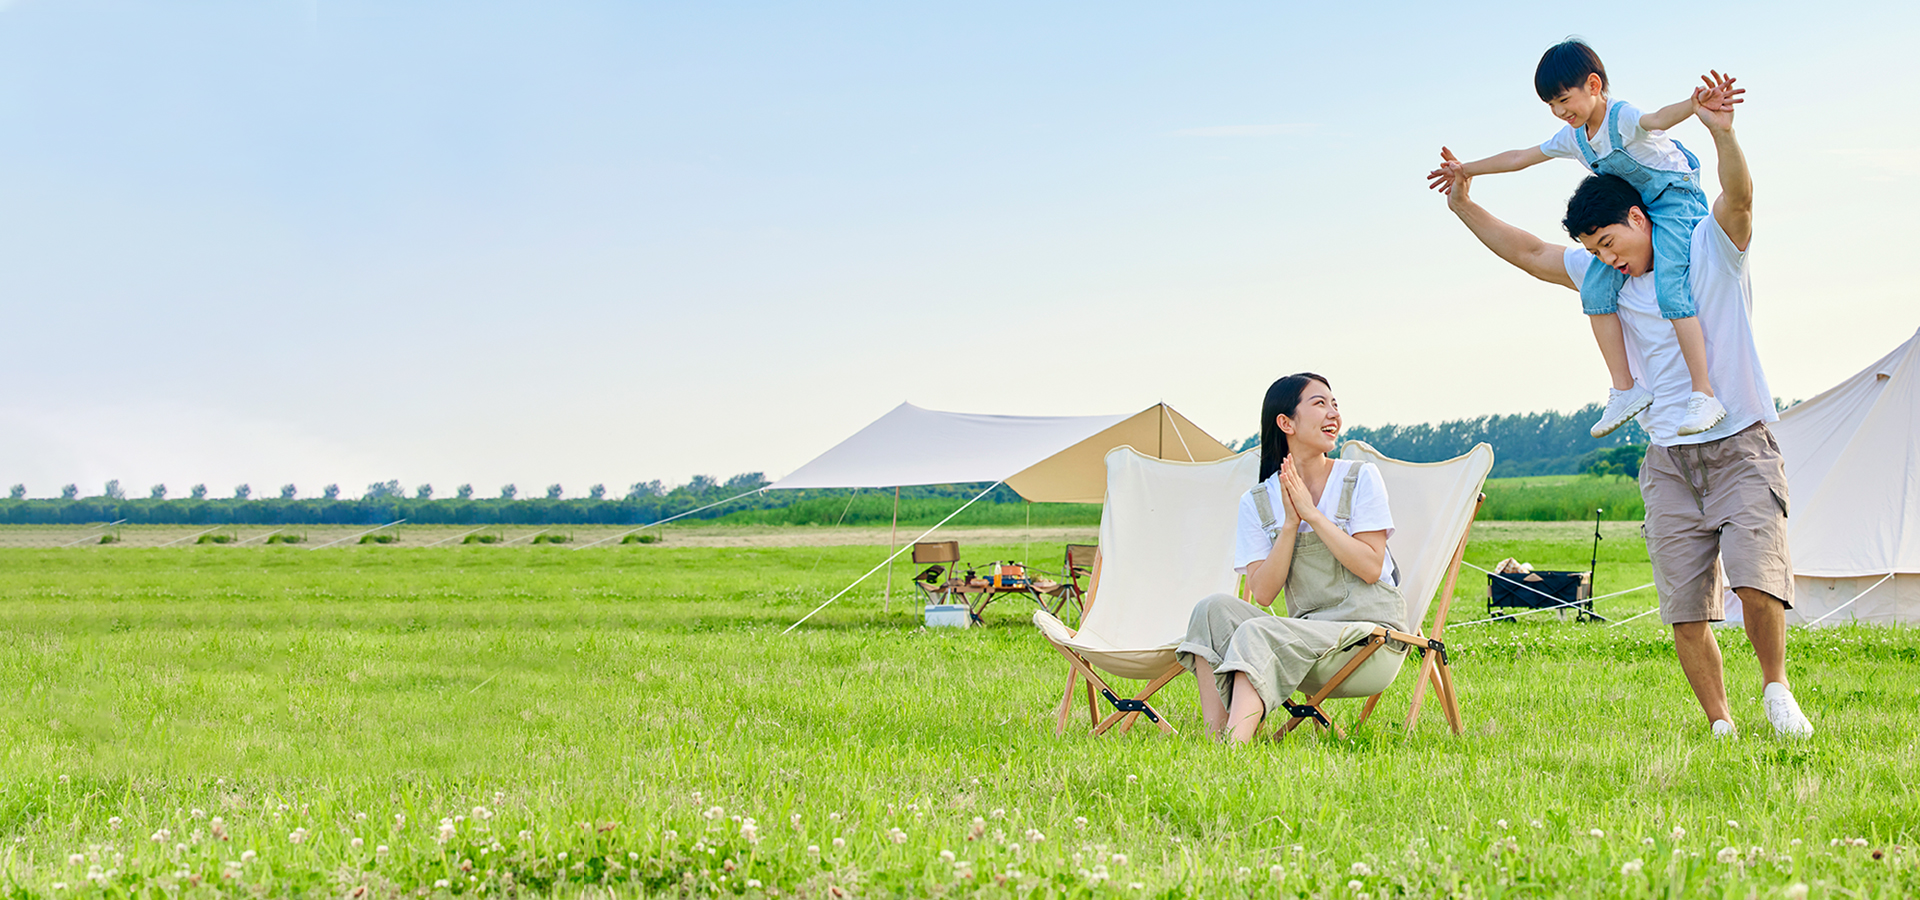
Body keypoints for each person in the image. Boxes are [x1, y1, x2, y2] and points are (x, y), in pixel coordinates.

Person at [1431, 71, 1814, 737]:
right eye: (1594, 251)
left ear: (1638, 218)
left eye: (1610, 242)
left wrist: (1723, 136)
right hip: (1669, 460)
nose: (1606, 258)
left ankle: (1776, 691)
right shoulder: (1605, 276)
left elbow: (1740, 200)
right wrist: (1465, 205)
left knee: (1756, 581)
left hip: (1740, 443)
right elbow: (1530, 252)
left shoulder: (1706, 247)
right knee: (1685, 608)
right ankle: (1720, 723)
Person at [1426, 40, 1742, 440]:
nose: (1559, 112)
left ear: (1593, 85)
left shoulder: (1621, 117)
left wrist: (1694, 105)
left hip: (1674, 200)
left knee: (1670, 288)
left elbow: (1658, 118)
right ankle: (1625, 389)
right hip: (1637, 207)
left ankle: (1703, 392)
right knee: (1594, 288)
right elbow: (1520, 157)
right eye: (1551, 105)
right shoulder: (1574, 137)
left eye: (1563, 100)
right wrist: (1466, 169)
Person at [1175, 373, 1405, 744]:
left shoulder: (1360, 477)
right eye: (1320, 403)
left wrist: (1312, 514)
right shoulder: (1257, 501)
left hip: (1369, 638)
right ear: (1286, 423)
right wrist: (1290, 525)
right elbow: (1264, 593)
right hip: (1307, 637)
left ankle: (1234, 748)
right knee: (1211, 610)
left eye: (1334, 404)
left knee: (1257, 631)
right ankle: (1216, 742)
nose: (1333, 413)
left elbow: (1370, 567)